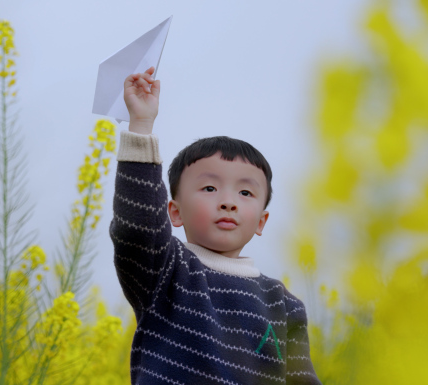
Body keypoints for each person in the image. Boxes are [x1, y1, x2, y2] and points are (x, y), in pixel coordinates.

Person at [110, 66, 321, 384]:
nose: (228, 201)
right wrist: (141, 125)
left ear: (261, 221)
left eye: (246, 192)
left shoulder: (282, 303)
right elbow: (138, 229)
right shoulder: (167, 272)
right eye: (209, 188)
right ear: (175, 212)